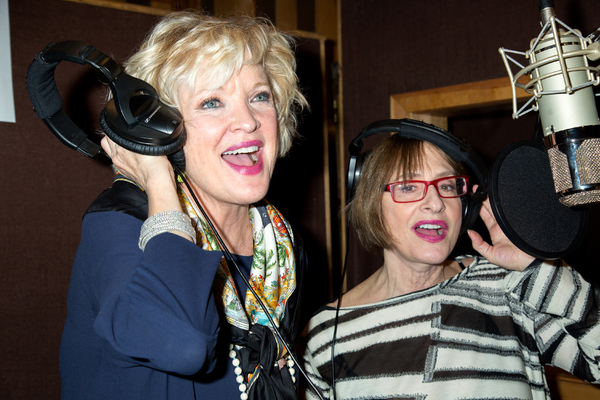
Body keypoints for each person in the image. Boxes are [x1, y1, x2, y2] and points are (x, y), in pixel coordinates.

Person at [58, 11, 309, 400]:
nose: (248, 121)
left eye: (259, 96)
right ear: (156, 130)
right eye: (212, 102)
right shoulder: (117, 224)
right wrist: (158, 177)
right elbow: (182, 344)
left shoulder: (277, 240)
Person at [302, 124, 600, 400]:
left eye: (447, 185)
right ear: (371, 203)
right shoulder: (325, 333)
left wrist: (537, 269)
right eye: (408, 187)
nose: (435, 202)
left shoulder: (509, 284)